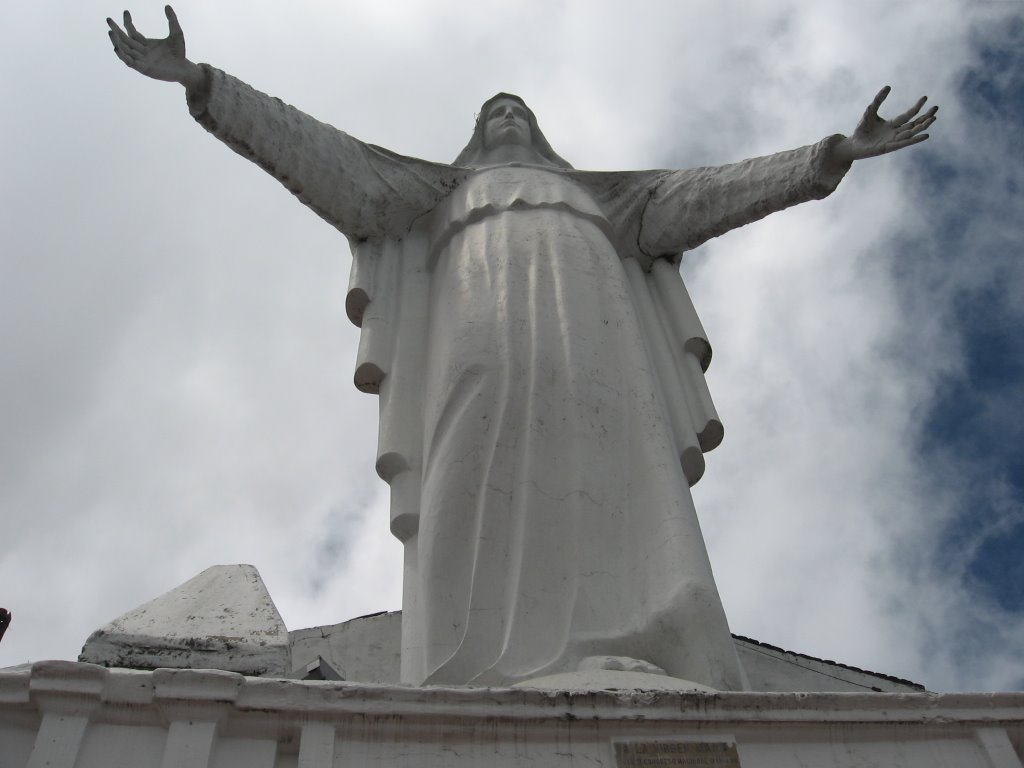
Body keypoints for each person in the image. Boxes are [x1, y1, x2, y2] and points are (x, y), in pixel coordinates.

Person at [107, 7, 936, 690]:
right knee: (474, 458)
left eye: (520, 112)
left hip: (599, 334)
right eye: (491, 113)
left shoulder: (611, 201)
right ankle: (478, 665)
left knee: (612, 461)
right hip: (480, 324)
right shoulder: (428, 196)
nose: (507, 116)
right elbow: (317, 153)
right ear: (473, 141)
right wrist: (200, 81)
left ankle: (639, 641)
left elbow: (712, 192)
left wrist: (827, 156)